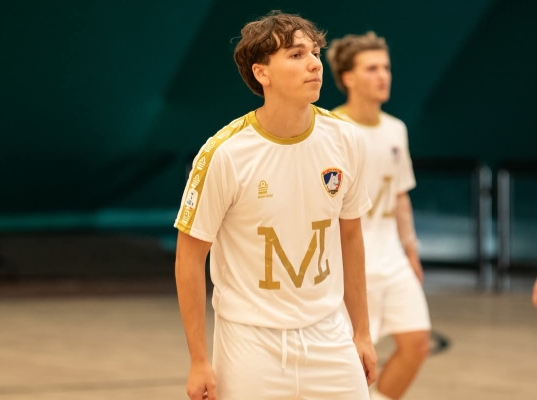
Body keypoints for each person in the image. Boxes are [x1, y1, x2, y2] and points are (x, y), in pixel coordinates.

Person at [174, 11, 377, 400]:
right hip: (250, 345)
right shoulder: (224, 153)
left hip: (330, 335)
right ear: (261, 72)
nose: (314, 63)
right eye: (296, 55)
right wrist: (199, 359)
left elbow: (351, 236)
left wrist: (362, 332)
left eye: (315, 52)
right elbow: (189, 257)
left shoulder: (345, 139)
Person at [326, 32, 431, 400]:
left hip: (393, 259)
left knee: (417, 343)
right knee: (354, 361)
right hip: (351, 261)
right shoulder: (331, 130)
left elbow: (400, 196)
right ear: (348, 78)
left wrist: (411, 250)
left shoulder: (396, 129)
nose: (383, 75)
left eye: (386, 67)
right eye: (371, 68)